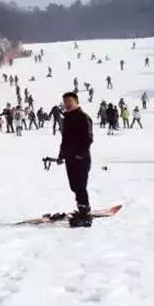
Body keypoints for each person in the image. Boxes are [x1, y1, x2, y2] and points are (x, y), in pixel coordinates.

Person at [56, 92, 93, 227]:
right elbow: (65, 140)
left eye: (69, 101)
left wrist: (81, 154)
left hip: (81, 158)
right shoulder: (67, 119)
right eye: (65, 102)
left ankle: (85, 215)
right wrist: (61, 155)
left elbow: (88, 138)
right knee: (74, 186)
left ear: (76, 102)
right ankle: (81, 208)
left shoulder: (83, 118)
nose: (67, 104)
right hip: (70, 158)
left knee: (80, 186)